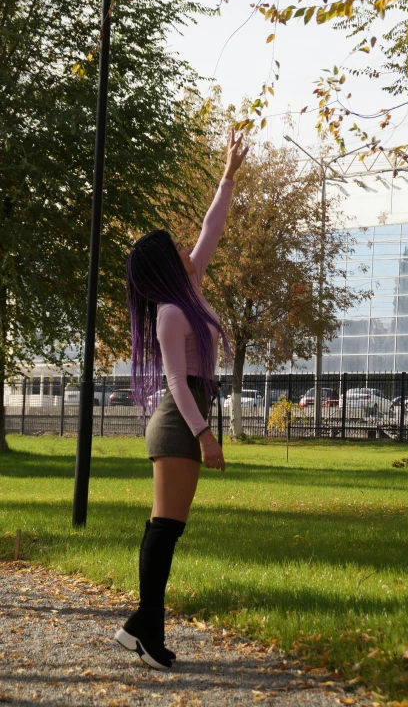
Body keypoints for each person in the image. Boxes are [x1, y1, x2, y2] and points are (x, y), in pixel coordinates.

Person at [115, 130, 248, 670]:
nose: (186, 251)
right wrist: (204, 434)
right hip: (178, 423)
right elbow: (175, 383)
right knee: (166, 528)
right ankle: (148, 632)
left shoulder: (190, 289)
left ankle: (139, 628)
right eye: (175, 251)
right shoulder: (172, 312)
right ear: (165, 267)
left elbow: (212, 226)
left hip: (183, 420)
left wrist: (228, 175)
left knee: (164, 527)